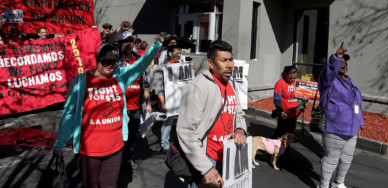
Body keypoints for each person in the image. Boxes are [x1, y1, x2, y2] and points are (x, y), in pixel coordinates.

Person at [53, 35, 163, 188]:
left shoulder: (120, 77)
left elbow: (140, 65)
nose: (109, 65)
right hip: (88, 150)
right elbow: (69, 114)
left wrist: (156, 46)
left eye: (113, 61)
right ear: (97, 60)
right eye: (106, 61)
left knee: (110, 185)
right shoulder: (80, 82)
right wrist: (60, 143)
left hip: (114, 148)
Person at [176, 40, 247, 187]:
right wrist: (206, 168)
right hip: (207, 159)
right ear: (210, 63)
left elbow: (238, 113)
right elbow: (186, 131)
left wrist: (240, 129)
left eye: (231, 59)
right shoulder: (197, 87)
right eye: (224, 60)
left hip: (228, 156)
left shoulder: (231, 83)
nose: (230, 65)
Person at [317, 42, 364, 188]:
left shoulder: (349, 81)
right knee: (331, 159)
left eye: (344, 62)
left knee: (347, 159)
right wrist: (336, 58)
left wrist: (360, 122)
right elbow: (329, 71)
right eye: (340, 62)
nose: (343, 63)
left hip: (351, 128)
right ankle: (323, 185)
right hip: (334, 126)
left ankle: (338, 182)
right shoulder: (328, 81)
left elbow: (357, 104)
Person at [117, 31, 152, 171]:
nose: (129, 44)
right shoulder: (115, 60)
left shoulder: (139, 60)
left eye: (132, 41)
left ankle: (127, 160)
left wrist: (148, 103)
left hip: (135, 109)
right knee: (118, 138)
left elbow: (146, 84)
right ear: (120, 44)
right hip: (119, 109)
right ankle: (115, 162)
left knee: (131, 138)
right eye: (126, 41)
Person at [154, 45, 182, 152]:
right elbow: (158, 87)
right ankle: (165, 144)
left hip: (180, 101)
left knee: (181, 122)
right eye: (177, 53)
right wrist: (163, 102)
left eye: (180, 53)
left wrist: (190, 70)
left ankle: (179, 143)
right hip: (168, 100)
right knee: (168, 122)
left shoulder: (182, 67)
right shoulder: (161, 68)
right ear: (170, 54)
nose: (179, 55)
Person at [272, 65, 304, 138]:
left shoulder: (297, 82)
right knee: (280, 133)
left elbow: (300, 94)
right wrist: (281, 111)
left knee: (289, 135)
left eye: (294, 78)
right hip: (284, 114)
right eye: (290, 78)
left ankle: (285, 149)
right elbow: (276, 99)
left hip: (294, 113)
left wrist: (303, 97)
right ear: (285, 74)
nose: (293, 80)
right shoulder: (280, 83)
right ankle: (271, 147)